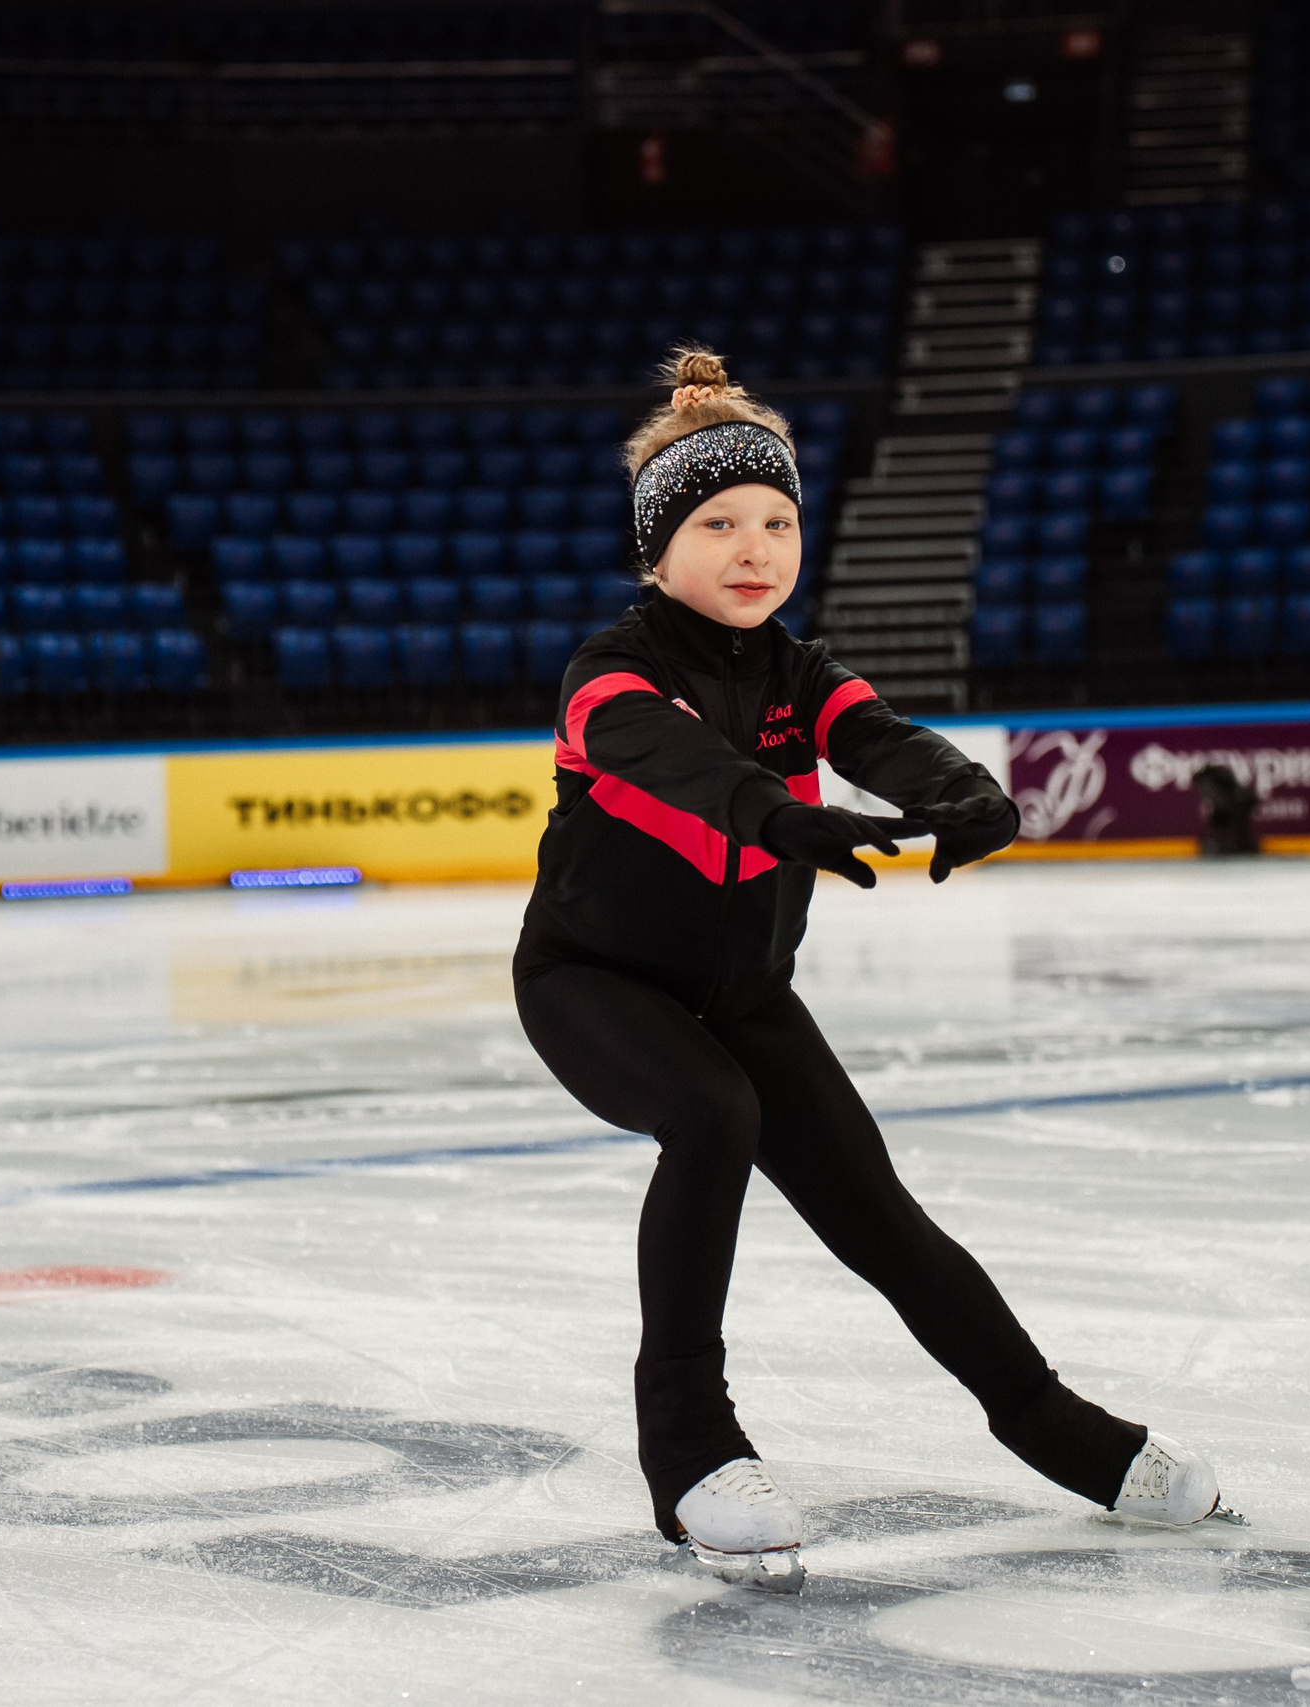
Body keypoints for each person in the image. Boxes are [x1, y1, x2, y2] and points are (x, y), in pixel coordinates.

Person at [513, 349, 1230, 1592]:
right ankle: (685, 1444)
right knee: (710, 1113)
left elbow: (879, 739)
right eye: (719, 522)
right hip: (593, 981)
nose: (755, 547)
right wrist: (778, 817)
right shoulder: (608, 671)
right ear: (656, 547)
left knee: (877, 1214)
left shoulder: (801, 672)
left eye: (778, 521)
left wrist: (969, 797)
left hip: (744, 996)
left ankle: (1055, 1427)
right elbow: (670, 763)